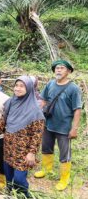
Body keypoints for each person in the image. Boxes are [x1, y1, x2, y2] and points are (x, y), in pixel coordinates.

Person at [0, 76, 45, 197]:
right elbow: (4, 119)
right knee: (9, 179)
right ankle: (10, 195)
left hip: (23, 150)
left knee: (19, 180)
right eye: (16, 85)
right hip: (9, 147)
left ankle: (26, 196)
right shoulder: (11, 102)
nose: (17, 89)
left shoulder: (35, 110)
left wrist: (31, 153)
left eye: (21, 86)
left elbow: (37, 134)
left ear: (29, 89)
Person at [34, 60, 82, 191]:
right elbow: (43, 101)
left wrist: (74, 128)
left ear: (68, 71)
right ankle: (47, 170)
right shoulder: (50, 84)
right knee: (46, 148)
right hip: (48, 123)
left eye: (61, 68)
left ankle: (64, 178)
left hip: (64, 127)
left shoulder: (74, 88)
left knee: (64, 153)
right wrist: (35, 113)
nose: (58, 70)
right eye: (56, 68)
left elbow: (77, 109)